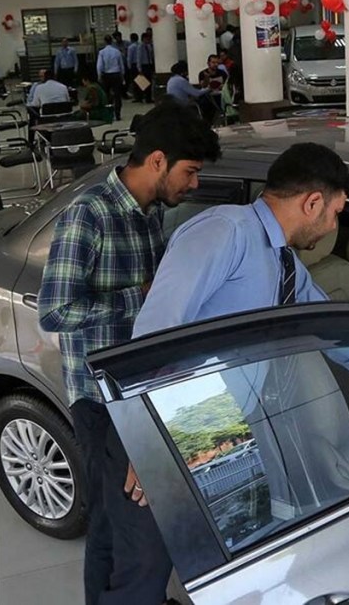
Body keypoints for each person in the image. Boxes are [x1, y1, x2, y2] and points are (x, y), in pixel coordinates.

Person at [39, 99, 221, 605]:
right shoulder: (89, 215)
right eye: (190, 172)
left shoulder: (151, 214)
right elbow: (54, 312)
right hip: (100, 400)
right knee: (109, 520)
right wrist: (138, 297)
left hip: (142, 386)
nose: (194, 185)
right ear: (158, 160)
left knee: (129, 519)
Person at [133, 142, 349, 338]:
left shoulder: (287, 264)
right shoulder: (223, 233)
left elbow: (329, 325)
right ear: (313, 203)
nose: (333, 226)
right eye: (336, 213)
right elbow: (156, 332)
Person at [97, 35, 126, 121]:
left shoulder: (102, 52)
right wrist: (122, 76)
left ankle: (109, 113)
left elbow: (100, 65)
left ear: (105, 41)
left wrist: (99, 75)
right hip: (116, 74)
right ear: (112, 41)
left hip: (106, 75)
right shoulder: (117, 51)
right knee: (117, 95)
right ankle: (118, 114)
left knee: (106, 95)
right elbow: (121, 65)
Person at [138, 32, 155, 104]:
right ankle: (144, 97)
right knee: (144, 83)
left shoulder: (149, 46)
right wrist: (139, 69)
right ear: (143, 38)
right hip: (144, 66)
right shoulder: (140, 47)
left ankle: (149, 97)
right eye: (147, 38)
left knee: (149, 82)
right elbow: (139, 58)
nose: (148, 40)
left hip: (149, 65)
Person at [126, 33, 142, 101]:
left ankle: (137, 97)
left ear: (131, 39)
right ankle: (142, 95)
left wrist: (129, 67)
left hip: (134, 65)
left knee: (135, 82)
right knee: (141, 81)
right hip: (141, 65)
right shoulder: (140, 45)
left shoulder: (131, 47)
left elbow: (129, 58)